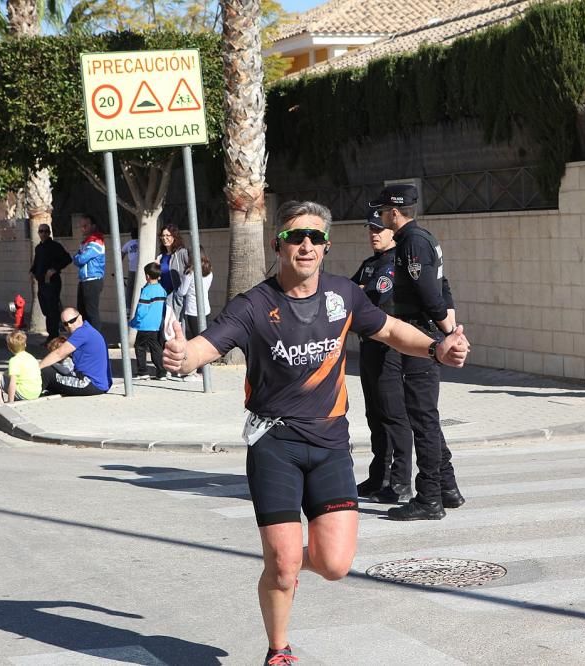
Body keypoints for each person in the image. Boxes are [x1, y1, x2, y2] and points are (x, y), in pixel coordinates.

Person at [161, 200, 469, 665]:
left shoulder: (344, 295)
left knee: (334, 564)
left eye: (315, 238)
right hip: (275, 445)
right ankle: (279, 649)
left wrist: (435, 349)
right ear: (277, 244)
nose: (306, 245)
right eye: (295, 237)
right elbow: (206, 346)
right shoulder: (254, 305)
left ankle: (280, 562)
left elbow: (389, 330)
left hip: (330, 445)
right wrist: (182, 356)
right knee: (285, 568)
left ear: (325, 246)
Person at [370, 184, 464, 520]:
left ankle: (429, 498)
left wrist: (448, 334)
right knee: (425, 417)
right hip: (423, 335)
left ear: (395, 212)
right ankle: (448, 488)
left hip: (421, 337)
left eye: (383, 212)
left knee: (422, 420)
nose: (381, 217)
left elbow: (430, 293)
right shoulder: (422, 239)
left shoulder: (412, 242)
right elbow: (442, 285)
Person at [350, 208, 414, 503]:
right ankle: (379, 476)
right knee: (374, 414)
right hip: (368, 346)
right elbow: (348, 294)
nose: (374, 234)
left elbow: (373, 296)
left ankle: (401, 482)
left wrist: (362, 291)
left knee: (393, 416)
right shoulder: (369, 264)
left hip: (389, 349)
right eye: (370, 229)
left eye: (379, 229)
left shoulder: (394, 263)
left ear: (391, 230)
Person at [38, 307, 112, 396]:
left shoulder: (82, 332)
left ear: (80, 317)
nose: (69, 325)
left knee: (46, 372)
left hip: (90, 383)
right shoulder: (88, 330)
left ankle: (27, 395)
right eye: (65, 324)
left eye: (72, 321)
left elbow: (59, 353)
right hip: (96, 383)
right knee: (52, 371)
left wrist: (37, 367)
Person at [29, 223, 72, 342]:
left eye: (45, 231)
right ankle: (52, 334)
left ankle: (54, 335)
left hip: (52, 282)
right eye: (41, 231)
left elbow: (67, 259)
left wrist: (54, 269)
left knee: (52, 309)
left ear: (49, 233)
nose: (43, 234)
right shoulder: (39, 248)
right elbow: (37, 262)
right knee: (46, 309)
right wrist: (32, 272)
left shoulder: (55, 246)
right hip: (42, 283)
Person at [129, 262, 168, 380]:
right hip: (156, 325)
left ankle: (142, 372)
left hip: (145, 325)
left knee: (140, 347)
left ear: (147, 276)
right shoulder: (162, 290)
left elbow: (141, 310)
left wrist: (135, 321)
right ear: (159, 276)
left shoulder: (146, 291)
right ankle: (162, 372)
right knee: (156, 349)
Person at [0, 330, 42, 405]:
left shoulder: (14, 361)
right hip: (36, 393)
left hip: (24, 394)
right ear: (25, 344)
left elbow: (12, 384)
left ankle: (1, 404)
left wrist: (10, 402)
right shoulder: (31, 357)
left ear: (9, 348)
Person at [73, 214, 106, 335]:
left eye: (85, 226)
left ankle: (96, 339)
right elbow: (77, 258)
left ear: (93, 226)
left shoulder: (96, 241)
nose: (83, 229)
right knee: (82, 312)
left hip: (92, 280)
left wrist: (78, 256)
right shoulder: (86, 242)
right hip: (84, 280)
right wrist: (78, 256)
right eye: (81, 226)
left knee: (91, 312)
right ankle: (87, 338)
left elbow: (81, 259)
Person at [176, 246, 213, 340]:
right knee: (204, 337)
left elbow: (182, 292)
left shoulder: (190, 272)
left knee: (196, 338)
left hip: (193, 310)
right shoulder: (209, 271)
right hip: (205, 308)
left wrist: (176, 291)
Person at [155, 224, 189, 312]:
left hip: (177, 299)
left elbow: (191, 271)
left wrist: (182, 292)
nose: (164, 238)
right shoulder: (161, 256)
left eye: (167, 235)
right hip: (163, 297)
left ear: (174, 237)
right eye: (162, 235)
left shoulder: (182, 253)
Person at [122, 227, 140, 309]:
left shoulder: (129, 243)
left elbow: (122, 253)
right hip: (140, 269)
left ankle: (128, 308)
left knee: (130, 289)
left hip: (132, 269)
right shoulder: (141, 242)